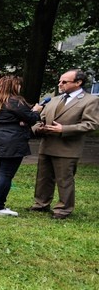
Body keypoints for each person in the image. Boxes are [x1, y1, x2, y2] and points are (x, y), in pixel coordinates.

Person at [30, 69, 99, 219]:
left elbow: (91, 124)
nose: (60, 84)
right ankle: (40, 204)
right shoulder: (54, 100)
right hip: (47, 145)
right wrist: (38, 128)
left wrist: (64, 129)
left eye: (64, 82)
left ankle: (63, 209)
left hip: (68, 148)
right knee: (43, 178)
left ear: (78, 82)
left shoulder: (90, 100)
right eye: (60, 81)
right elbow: (39, 119)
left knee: (64, 180)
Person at [0, 76, 43, 216]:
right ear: (13, 86)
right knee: (6, 173)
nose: (20, 88)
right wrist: (36, 111)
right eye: (18, 85)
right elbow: (31, 118)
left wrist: (22, 120)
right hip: (12, 139)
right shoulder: (15, 101)